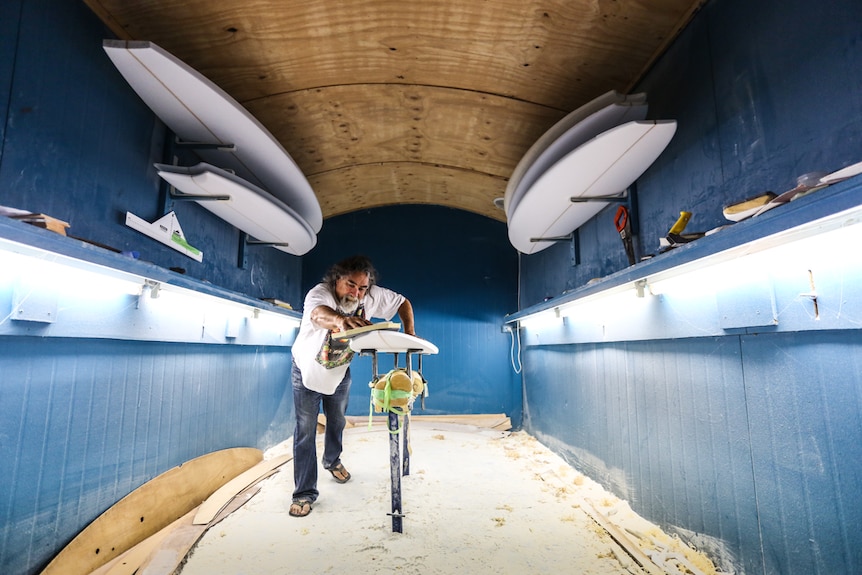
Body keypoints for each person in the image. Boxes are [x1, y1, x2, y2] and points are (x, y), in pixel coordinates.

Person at [288, 255, 415, 517]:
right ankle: (304, 493)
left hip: (339, 370)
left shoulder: (368, 295)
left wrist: (410, 332)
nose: (357, 293)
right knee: (305, 430)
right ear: (336, 280)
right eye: (350, 285)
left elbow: (403, 302)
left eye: (362, 288)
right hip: (307, 369)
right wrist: (341, 321)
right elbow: (318, 314)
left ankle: (332, 460)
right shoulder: (319, 293)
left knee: (337, 421)